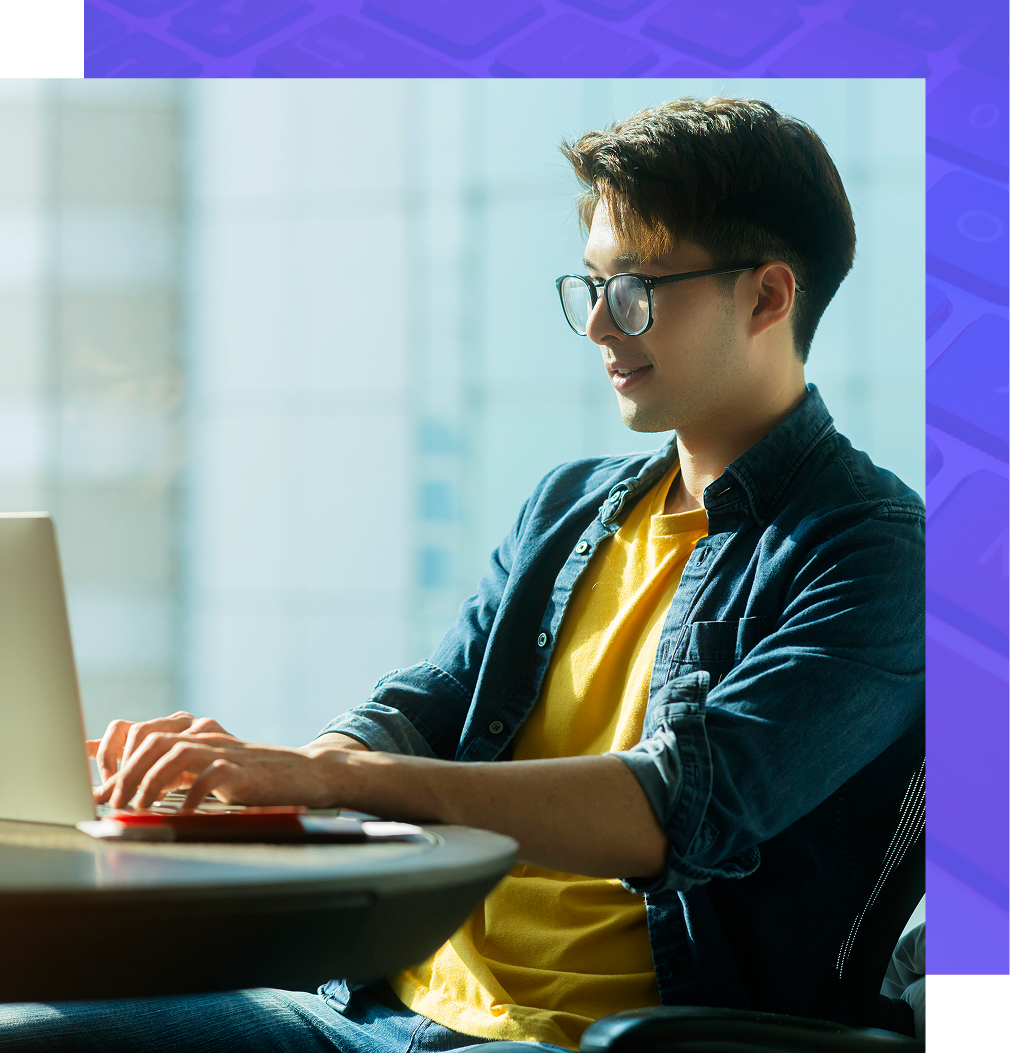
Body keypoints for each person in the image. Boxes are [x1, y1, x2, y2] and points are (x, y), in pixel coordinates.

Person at [0, 96, 924, 1053]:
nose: (602, 326)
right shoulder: (569, 506)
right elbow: (431, 699)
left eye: (640, 288)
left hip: (577, 1041)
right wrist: (258, 781)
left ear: (769, 296)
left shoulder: (873, 549)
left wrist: (322, 782)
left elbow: (676, 806)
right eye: (594, 285)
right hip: (370, 1005)